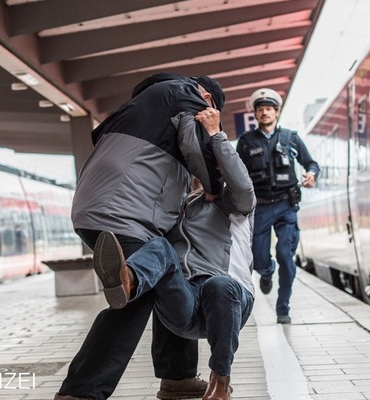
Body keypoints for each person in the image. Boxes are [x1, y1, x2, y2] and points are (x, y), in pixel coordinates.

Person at [54, 73, 226, 400]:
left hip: (98, 207)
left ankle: (178, 376)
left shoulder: (142, 108)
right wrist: (215, 186)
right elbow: (198, 149)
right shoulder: (186, 94)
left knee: (171, 278)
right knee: (136, 292)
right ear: (209, 99)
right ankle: (81, 390)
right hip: (124, 212)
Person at [92, 104, 254, 400]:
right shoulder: (173, 211)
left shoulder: (234, 204)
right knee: (159, 246)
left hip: (228, 299)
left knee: (219, 285)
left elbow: (243, 184)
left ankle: (220, 379)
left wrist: (216, 135)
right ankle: (128, 280)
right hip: (184, 304)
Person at [235, 88, 320, 325]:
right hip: (260, 208)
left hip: (286, 206)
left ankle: (283, 308)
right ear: (255, 114)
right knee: (259, 259)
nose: (265, 113)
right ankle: (267, 272)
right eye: (260, 109)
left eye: (269, 109)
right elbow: (235, 170)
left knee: (285, 254)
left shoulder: (291, 138)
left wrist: (312, 174)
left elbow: (311, 163)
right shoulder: (246, 142)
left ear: (276, 112)